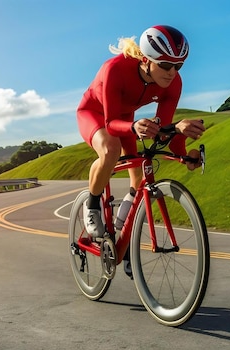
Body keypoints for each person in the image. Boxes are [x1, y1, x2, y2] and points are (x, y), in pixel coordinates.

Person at [76, 25, 206, 241]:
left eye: (178, 66)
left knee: (139, 179)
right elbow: (110, 124)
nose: (172, 73)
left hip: (126, 118)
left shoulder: (173, 83)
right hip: (94, 114)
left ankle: (125, 240)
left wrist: (184, 154)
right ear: (146, 59)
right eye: (165, 65)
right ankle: (91, 205)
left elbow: (162, 132)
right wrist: (134, 127)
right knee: (111, 150)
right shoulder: (115, 69)